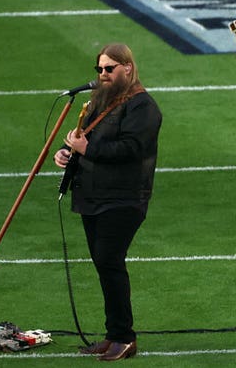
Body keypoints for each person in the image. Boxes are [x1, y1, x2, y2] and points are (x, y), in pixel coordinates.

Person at [54, 44, 162, 362]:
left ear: (127, 68)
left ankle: (124, 338)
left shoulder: (143, 106)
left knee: (109, 261)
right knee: (105, 265)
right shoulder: (102, 102)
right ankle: (114, 334)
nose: (103, 74)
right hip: (93, 196)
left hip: (124, 197)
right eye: (99, 69)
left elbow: (131, 149)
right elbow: (88, 143)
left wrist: (86, 149)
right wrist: (68, 155)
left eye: (109, 69)